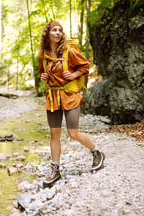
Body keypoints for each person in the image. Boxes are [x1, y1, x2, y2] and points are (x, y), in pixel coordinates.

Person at [38, 20, 105, 187]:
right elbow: (41, 71)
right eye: (54, 30)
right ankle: (55, 170)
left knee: (73, 133)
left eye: (60, 30)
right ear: (47, 33)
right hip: (53, 97)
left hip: (70, 96)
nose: (58, 33)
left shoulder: (69, 51)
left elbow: (86, 66)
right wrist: (43, 76)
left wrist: (74, 75)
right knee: (54, 134)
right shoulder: (43, 55)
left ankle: (97, 153)